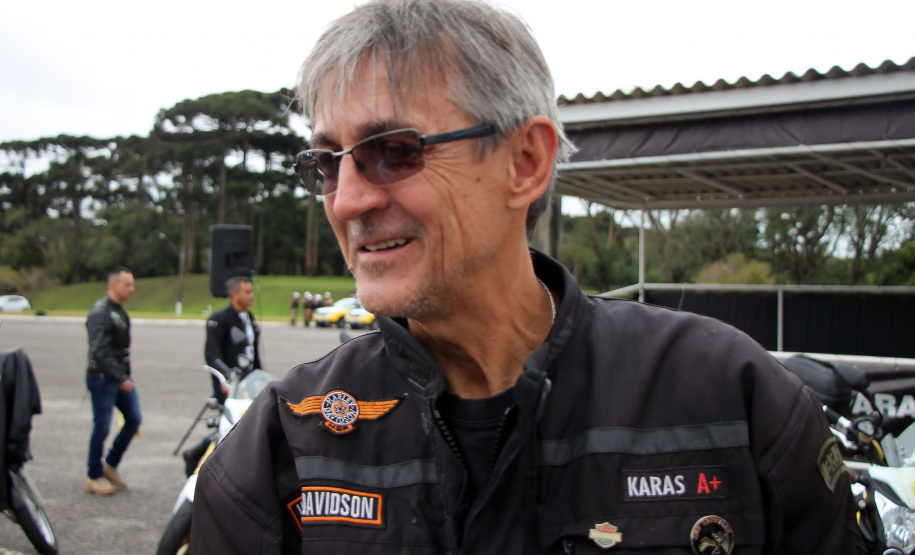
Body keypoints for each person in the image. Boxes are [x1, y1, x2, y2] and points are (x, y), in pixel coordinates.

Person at [191, 1, 864, 553]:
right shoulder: (284, 443)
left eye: (392, 151)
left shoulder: (730, 398)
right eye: (326, 164)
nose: (346, 199)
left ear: (523, 162)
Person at [85, 266, 141, 496]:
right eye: (127, 284)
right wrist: (120, 378)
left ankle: (110, 465)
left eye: (132, 284)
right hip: (103, 379)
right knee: (102, 427)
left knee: (134, 420)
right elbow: (99, 351)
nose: (132, 288)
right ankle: (93, 476)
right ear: (113, 285)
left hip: (119, 378)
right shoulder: (100, 313)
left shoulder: (118, 310)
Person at [204, 276, 262, 404]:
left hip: (249, 380)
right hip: (229, 382)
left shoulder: (249, 317)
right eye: (247, 292)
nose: (251, 296)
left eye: (252, 292)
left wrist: (260, 375)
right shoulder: (219, 319)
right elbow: (212, 353)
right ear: (234, 294)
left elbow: (253, 350)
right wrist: (225, 377)